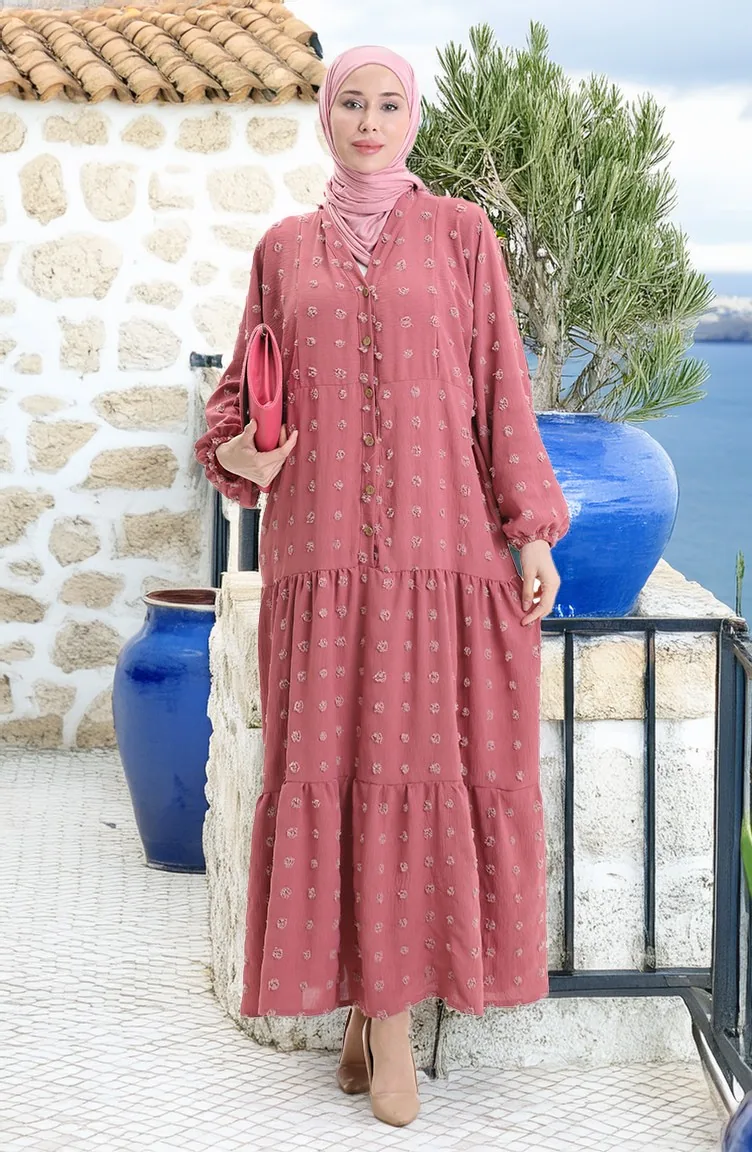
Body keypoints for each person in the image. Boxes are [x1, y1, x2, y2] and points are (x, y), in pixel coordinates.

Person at [195, 44, 570, 1129]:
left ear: (412, 119)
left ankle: (386, 1017)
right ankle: (376, 1013)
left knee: (419, 774)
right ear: (326, 116)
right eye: (351, 102)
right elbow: (233, 413)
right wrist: (244, 458)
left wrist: (531, 532)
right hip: (316, 564)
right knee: (334, 773)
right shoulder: (282, 250)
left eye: (388, 103)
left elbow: (499, 386)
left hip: (444, 559)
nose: (369, 119)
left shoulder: (460, 234)